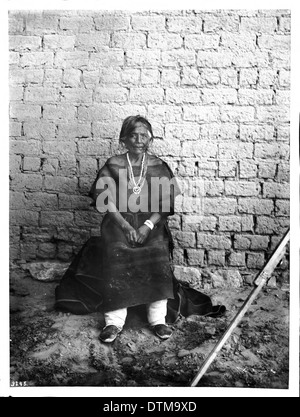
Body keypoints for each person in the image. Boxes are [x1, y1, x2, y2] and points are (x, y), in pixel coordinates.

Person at [55, 115, 181, 343]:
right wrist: (124, 226)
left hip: (150, 224)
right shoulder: (113, 164)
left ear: (150, 139)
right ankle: (114, 321)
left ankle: (158, 320)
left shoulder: (158, 166)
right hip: (117, 223)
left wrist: (147, 226)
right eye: (134, 135)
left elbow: (165, 203)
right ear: (124, 139)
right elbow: (106, 201)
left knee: (157, 252)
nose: (139, 140)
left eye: (144, 135)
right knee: (117, 251)